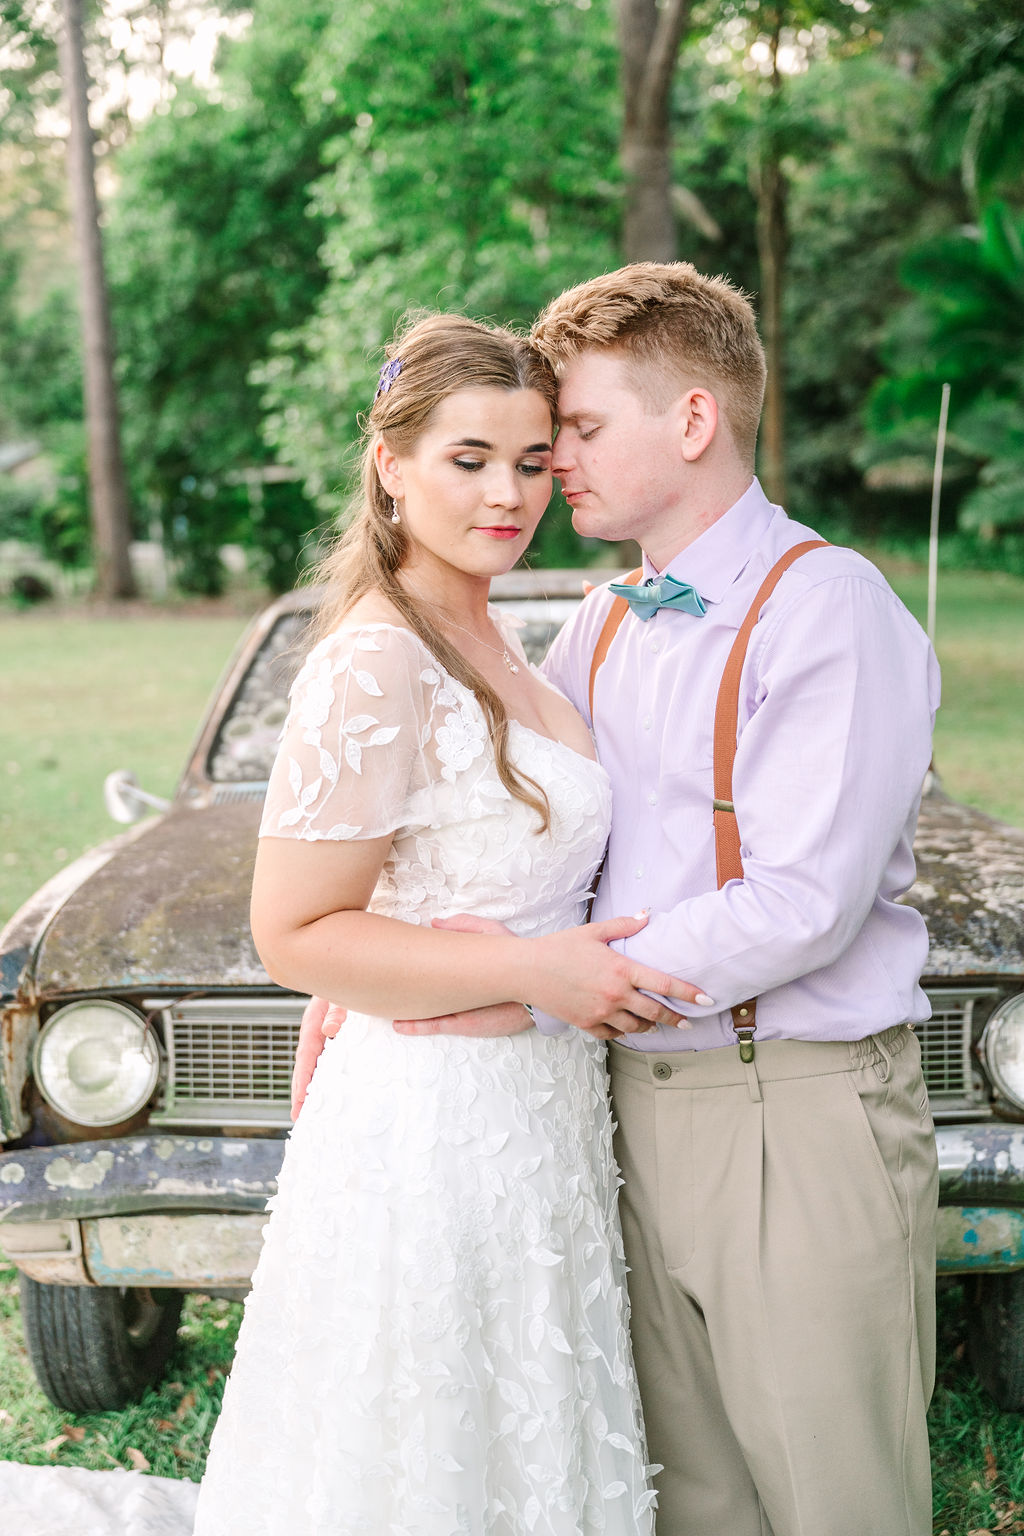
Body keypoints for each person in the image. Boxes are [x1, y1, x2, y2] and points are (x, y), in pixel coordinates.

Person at [296, 263, 941, 1536]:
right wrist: (384, 969)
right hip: (613, 1119)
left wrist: (541, 992)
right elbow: (520, 834)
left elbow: (802, 900)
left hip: (790, 1109)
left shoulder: (828, 608)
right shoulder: (597, 625)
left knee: (834, 1494)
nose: (551, 472)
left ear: (691, 422)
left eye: (575, 434)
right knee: (688, 1496)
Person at [192, 311, 707, 1536]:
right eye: (468, 459)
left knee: (530, 1429)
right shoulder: (377, 660)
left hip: (542, 1113)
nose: (508, 493)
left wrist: (501, 973)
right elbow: (293, 932)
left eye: (533, 462)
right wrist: (535, 972)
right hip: (432, 1130)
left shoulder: (514, 641)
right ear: (391, 463)